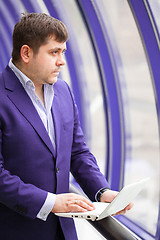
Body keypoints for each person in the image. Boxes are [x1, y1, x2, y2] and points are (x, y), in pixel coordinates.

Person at [0, 13, 133, 240]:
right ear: (26, 53)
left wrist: (101, 191)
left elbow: (77, 152)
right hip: (16, 231)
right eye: (54, 52)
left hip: (64, 232)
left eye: (63, 52)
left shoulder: (63, 90)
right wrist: (50, 202)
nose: (62, 61)